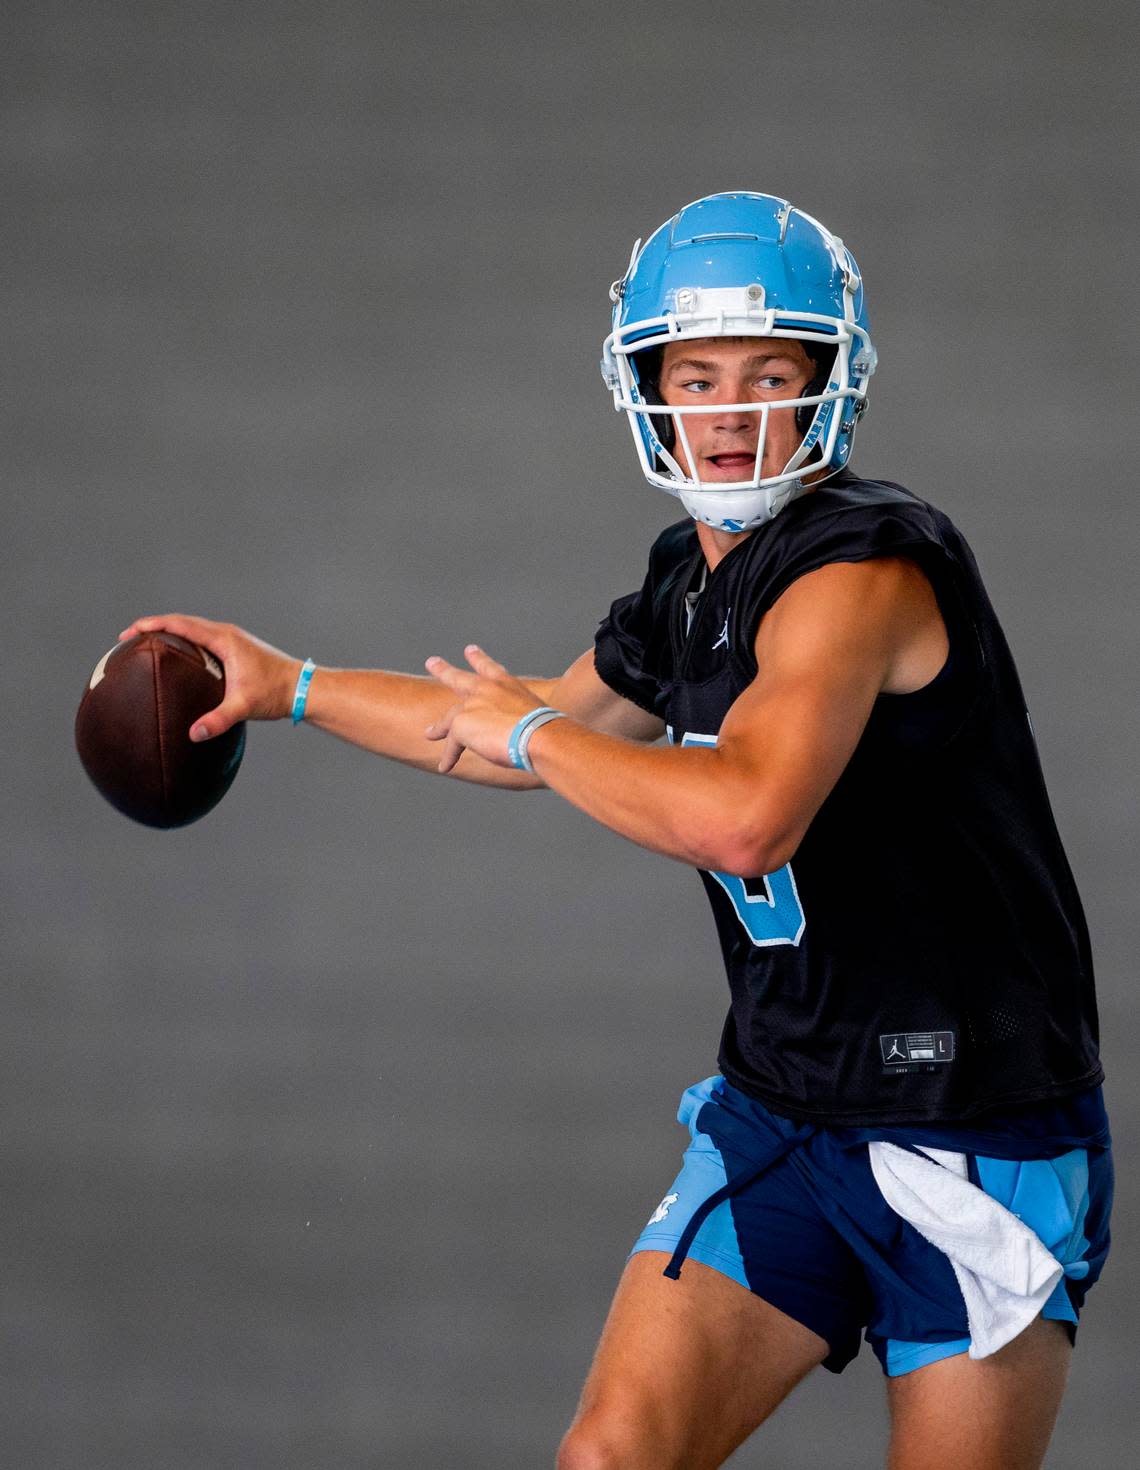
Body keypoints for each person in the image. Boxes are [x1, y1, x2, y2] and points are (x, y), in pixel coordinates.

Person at [120, 191, 1111, 1469]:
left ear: (830, 384)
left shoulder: (862, 575)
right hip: (789, 1113)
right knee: (611, 1459)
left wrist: (536, 737)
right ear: (649, 386)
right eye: (697, 376)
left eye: (770, 374)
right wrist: (293, 684)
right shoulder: (687, 582)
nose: (733, 413)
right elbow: (523, 718)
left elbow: (745, 819)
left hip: (976, 1132)